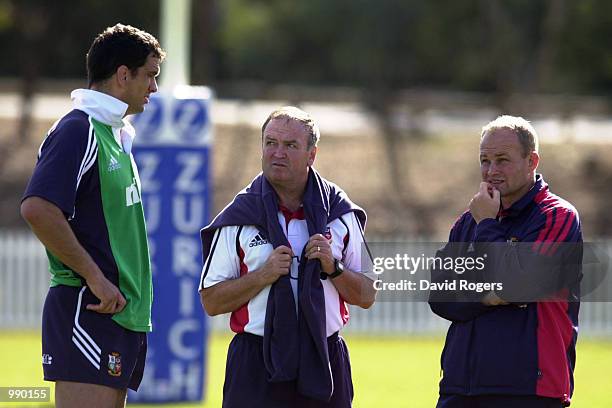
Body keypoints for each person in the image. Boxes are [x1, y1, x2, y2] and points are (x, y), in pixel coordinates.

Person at [20, 24, 164, 408]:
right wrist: (95, 277)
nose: (154, 88)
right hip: (89, 309)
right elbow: (37, 207)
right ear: (122, 75)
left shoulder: (115, 133)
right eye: (150, 76)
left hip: (119, 314)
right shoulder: (78, 129)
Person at [199, 106, 376, 407]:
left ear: (312, 155)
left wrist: (335, 268)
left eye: (290, 145)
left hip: (324, 355)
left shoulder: (339, 213)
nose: (277, 153)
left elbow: (368, 294)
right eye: (270, 143)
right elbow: (211, 301)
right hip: (255, 362)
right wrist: (262, 276)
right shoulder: (241, 215)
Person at [429, 115, 582, 408]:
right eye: (484, 160)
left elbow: (517, 284)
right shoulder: (468, 220)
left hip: (530, 390)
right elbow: (440, 296)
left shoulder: (557, 216)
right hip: (461, 388)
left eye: (502, 160)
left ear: (532, 161)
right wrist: (491, 296)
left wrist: (487, 223)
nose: (491, 170)